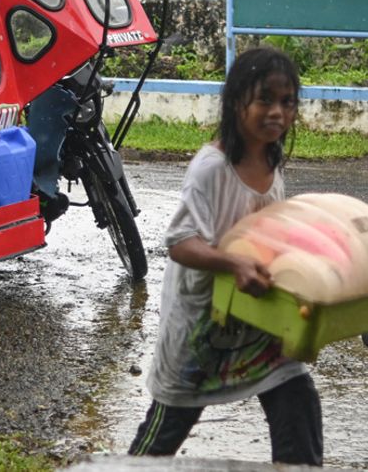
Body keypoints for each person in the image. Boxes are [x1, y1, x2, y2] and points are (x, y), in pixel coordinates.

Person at [128, 47, 323, 465]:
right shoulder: (211, 167)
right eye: (265, 100)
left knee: (297, 399)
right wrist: (233, 262)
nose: (278, 113)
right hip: (201, 327)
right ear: (237, 103)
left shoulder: (271, 158)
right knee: (167, 427)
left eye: (287, 102)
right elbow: (180, 242)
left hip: (256, 321)